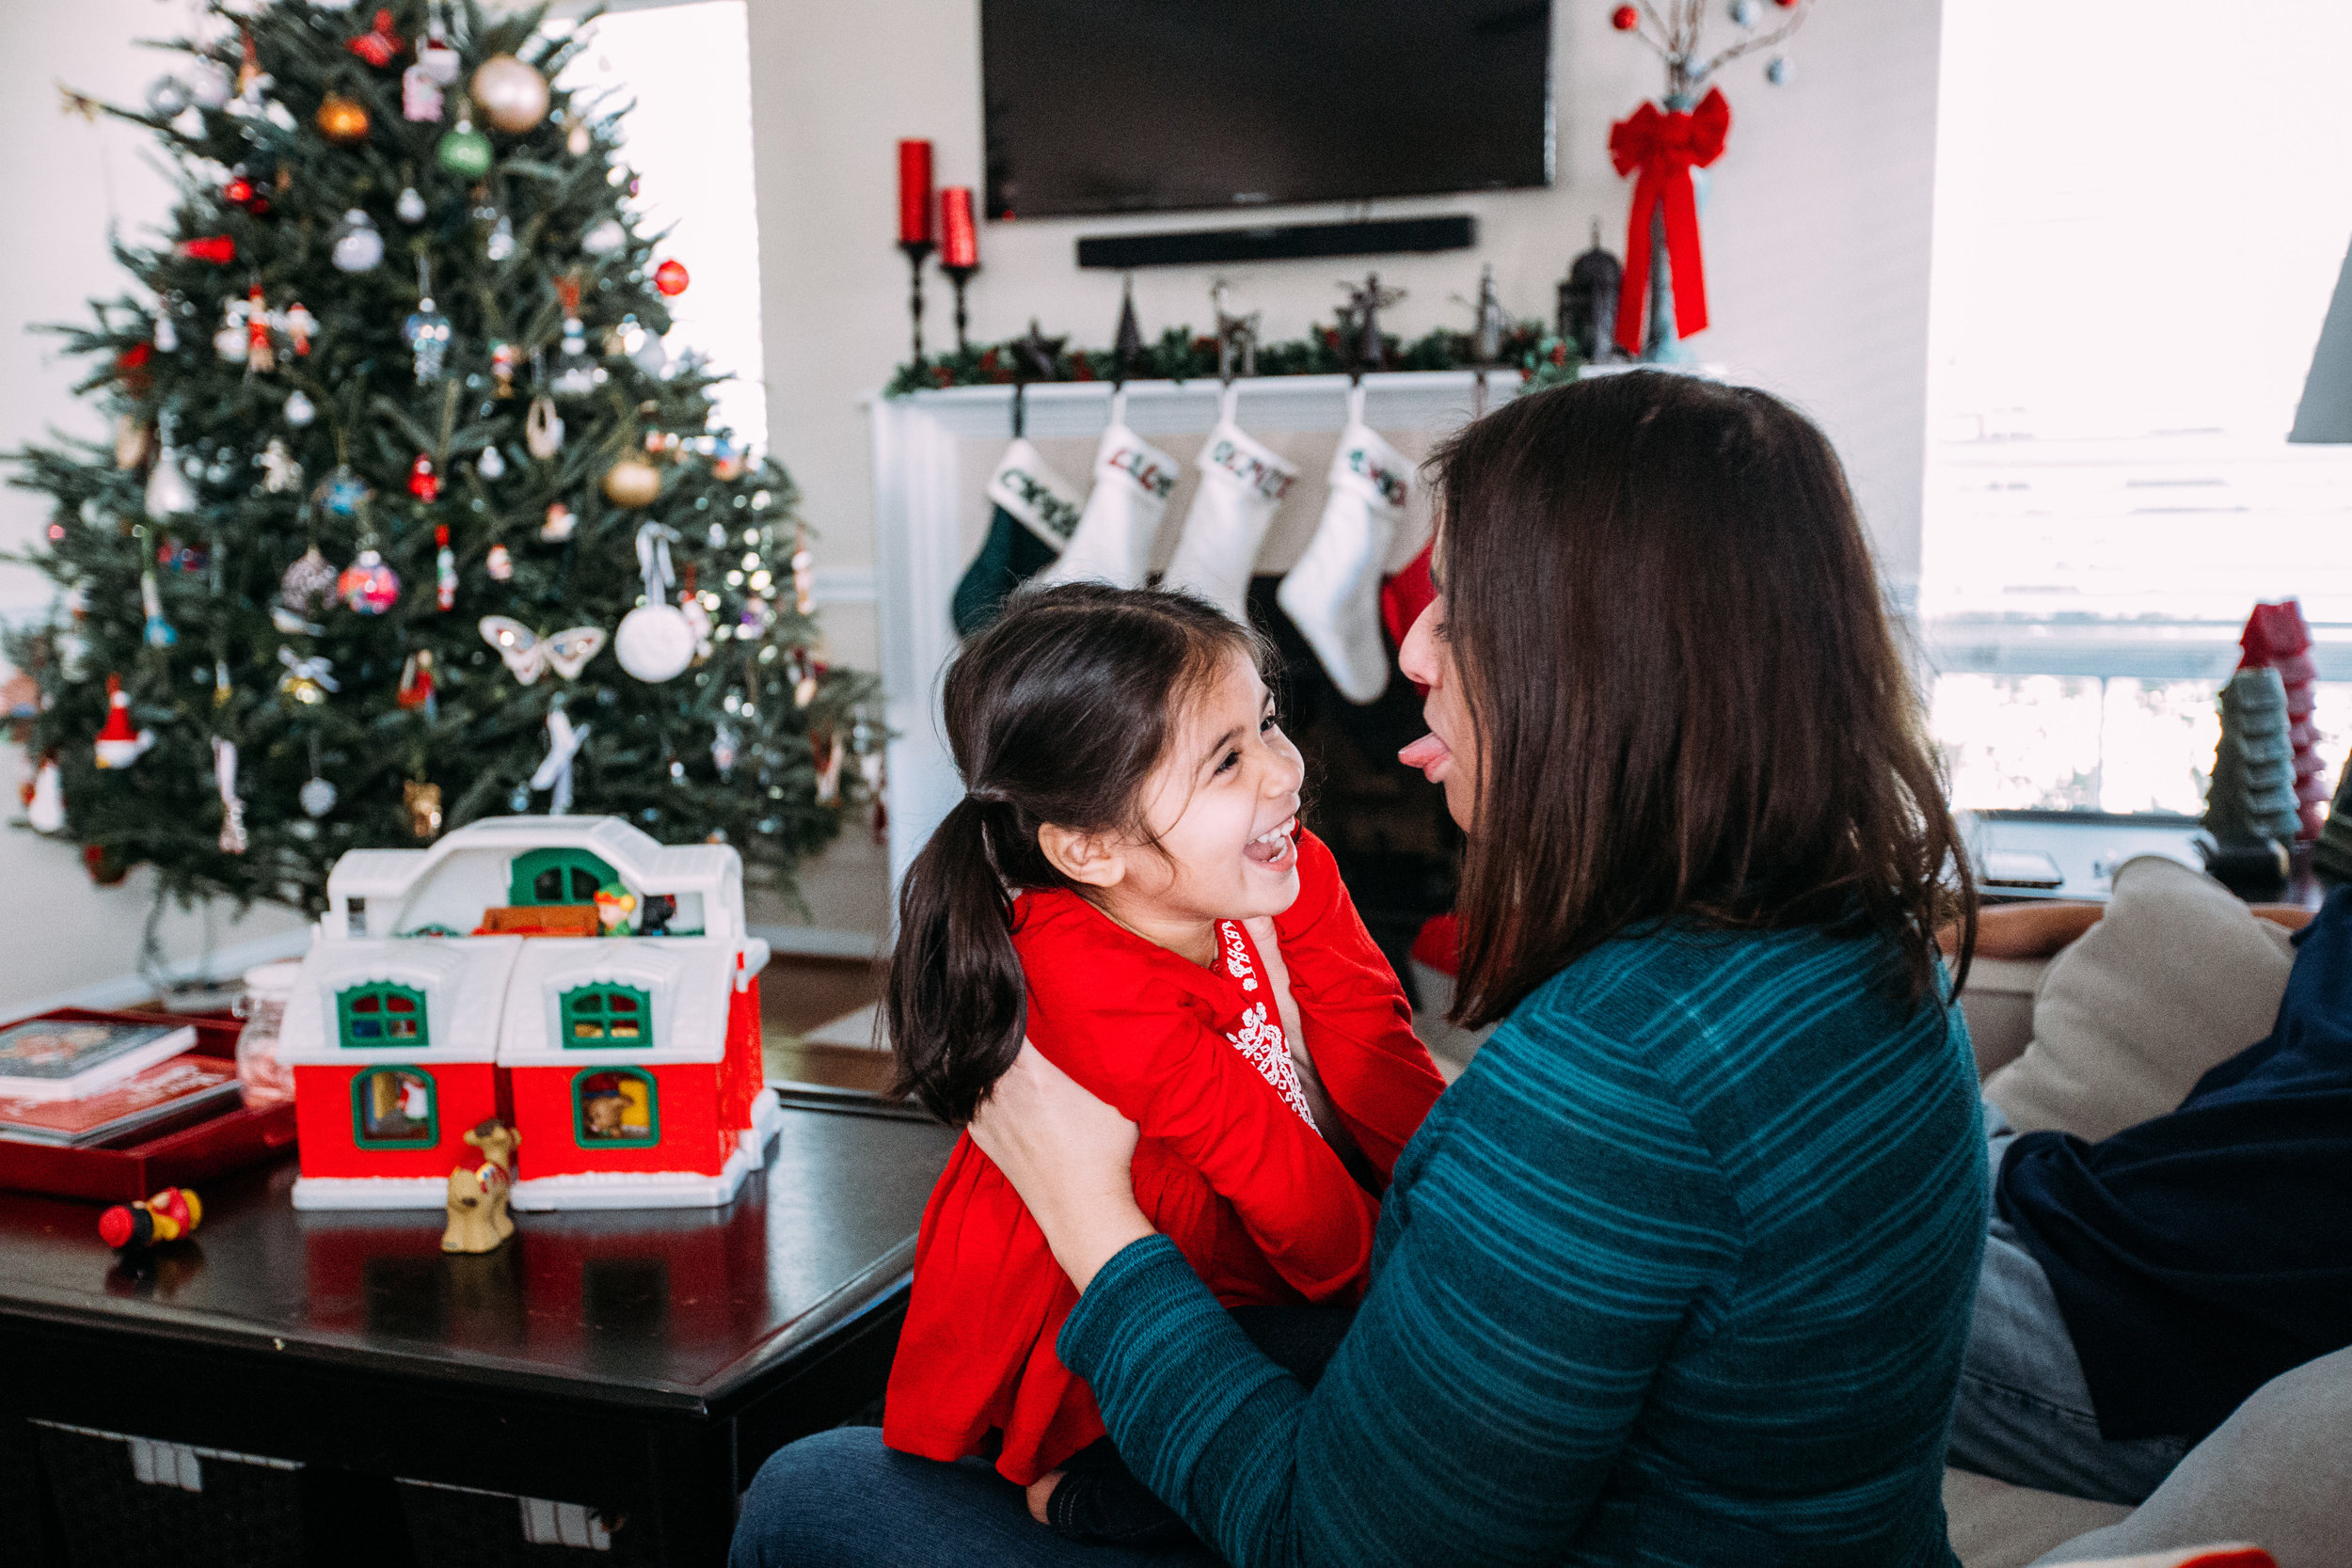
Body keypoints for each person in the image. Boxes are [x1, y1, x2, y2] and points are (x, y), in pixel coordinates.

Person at [732, 372, 1988, 1567]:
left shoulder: (1622, 1081)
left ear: (1605, 673)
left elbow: (1332, 1541)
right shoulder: (1863, 948)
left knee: (811, 1490)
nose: (1417, 654)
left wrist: (1090, 1214)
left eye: (1458, 606)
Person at [875, 584, 1446, 1543]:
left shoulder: (1278, 862)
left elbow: (1375, 1037)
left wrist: (1450, 1215)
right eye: (1226, 759)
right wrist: (1411, 1299)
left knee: (1416, 1379)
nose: (1281, 772)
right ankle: (1079, 1491)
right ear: (1090, 846)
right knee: (1396, 1385)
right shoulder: (1075, 962)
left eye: (1267, 722)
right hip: (1097, 1331)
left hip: (1243, 1269)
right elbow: (1266, 1165)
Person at [1947, 889, 2348, 1505]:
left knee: (1765, 1255)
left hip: (2128, 1349)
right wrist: (1968, 926)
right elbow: (2274, 918)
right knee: (1837, 1024)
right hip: (2061, 1197)